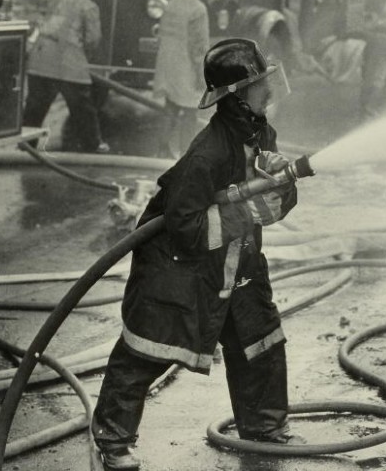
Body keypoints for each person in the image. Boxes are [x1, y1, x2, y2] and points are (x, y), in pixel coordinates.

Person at [92, 38, 299, 470]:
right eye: (260, 85)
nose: (270, 91)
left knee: (259, 343)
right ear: (237, 95)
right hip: (181, 270)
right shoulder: (207, 153)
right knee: (146, 350)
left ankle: (263, 428)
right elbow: (186, 228)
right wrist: (246, 214)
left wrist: (281, 187)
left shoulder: (261, 131)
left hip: (239, 264)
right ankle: (113, 439)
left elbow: (272, 200)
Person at [23, 0, 112, 152]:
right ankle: (93, 145)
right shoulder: (90, 6)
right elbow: (92, 39)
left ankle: (26, 146)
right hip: (68, 64)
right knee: (83, 108)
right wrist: (83, 58)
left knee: (35, 107)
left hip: (40, 60)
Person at [153, 0, 216, 158]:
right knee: (190, 111)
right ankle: (185, 154)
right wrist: (201, 75)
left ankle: (162, 150)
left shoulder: (171, 4)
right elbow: (199, 47)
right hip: (186, 65)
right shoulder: (198, 8)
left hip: (166, 63)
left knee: (170, 106)